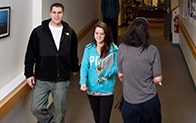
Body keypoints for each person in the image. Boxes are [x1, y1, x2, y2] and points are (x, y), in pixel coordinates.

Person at [24, 3, 80, 123]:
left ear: (63, 14)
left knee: (60, 112)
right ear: (50, 14)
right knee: (36, 108)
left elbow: (73, 54)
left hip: (61, 80)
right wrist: (28, 74)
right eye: (54, 12)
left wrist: (75, 69)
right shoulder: (38, 32)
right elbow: (30, 54)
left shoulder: (70, 33)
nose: (56, 15)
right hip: (42, 78)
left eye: (59, 12)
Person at [117, 17, 162, 123]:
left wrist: (131, 84)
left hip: (130, 101)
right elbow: (158, 79)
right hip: (150, 101)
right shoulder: (153, 50)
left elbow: (120, 75)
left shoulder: (122, 48)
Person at [79, 22, 118, 123]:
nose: (99, 36)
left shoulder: (113, 49)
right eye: (96, 33)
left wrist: (105, 72)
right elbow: (84, 67)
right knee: (97, 117)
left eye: (102, 33)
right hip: (92, 89)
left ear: (106, 35)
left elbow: (117, 68)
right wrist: (83, 82)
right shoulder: (89, 49)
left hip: (107, 89)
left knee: (104, 120)